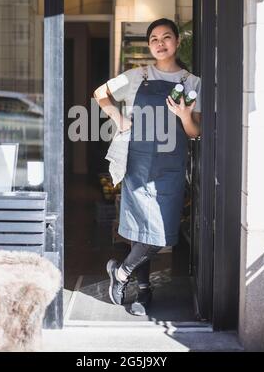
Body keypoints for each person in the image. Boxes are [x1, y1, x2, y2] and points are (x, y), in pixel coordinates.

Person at [93, 18, 201, 316]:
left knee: (162, 231)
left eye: (167, 37)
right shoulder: (137, 76)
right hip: (138, 162)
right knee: (140, 230)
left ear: (177, 42)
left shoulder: (192, 83)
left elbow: (194, 133)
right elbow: (100, 93)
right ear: (149, 45)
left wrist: (184, 116)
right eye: (154, 38)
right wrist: (119, 119)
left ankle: (121, 272)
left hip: (170, 167)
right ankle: (143, 289)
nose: (160, 43)